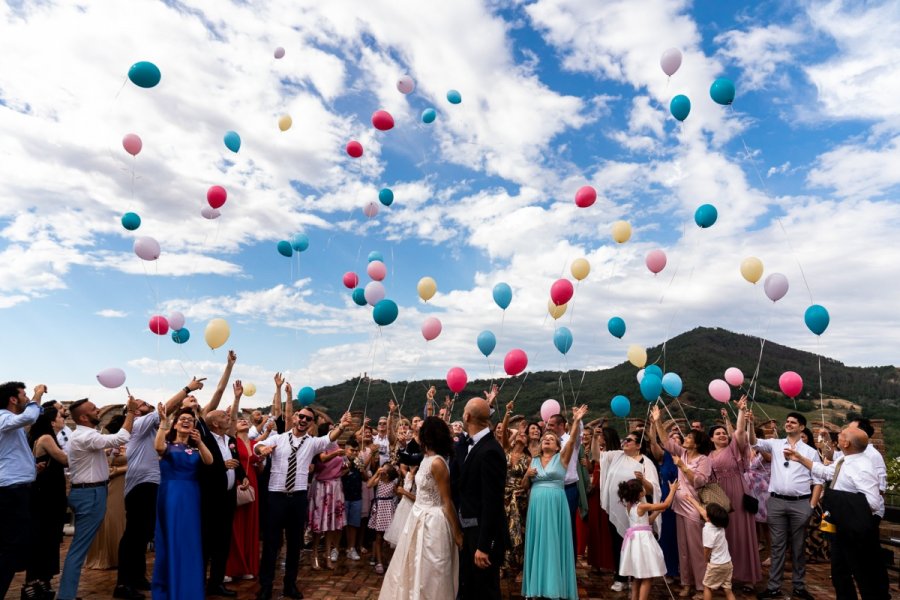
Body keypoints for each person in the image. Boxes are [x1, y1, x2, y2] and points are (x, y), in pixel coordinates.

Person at [253, 391, 354, 600]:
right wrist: (262, 449)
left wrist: (342, 426)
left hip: (298, 498)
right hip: (275, 497)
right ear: (294, 417)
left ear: (310, 423)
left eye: (308, 419)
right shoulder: (278, 438)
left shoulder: (313, 443)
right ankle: (266, 586)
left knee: (294, 544)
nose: (304, 420)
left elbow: (330, 438)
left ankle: (290, 585)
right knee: (271, 543)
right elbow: (257, 445)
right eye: (301, 417)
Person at [115, 378, 207, 600]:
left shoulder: (156, 430)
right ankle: (123, 583)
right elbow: (167, 409)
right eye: (142, 403)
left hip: (155, 485)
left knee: (145, 533)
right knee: (135, 534)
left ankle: (137, 578)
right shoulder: (140, 423)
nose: (147, 404)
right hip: (141, 484)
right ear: (135, 412)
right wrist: (187, 389)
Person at [785, 427, 889, 599]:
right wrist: (800, 459)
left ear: (846, 443)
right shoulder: (845, 460)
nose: (838, 436)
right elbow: (827, 472)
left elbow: (873, 503)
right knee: (840, 573)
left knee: (864, 575)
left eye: (841, 434)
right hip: (842, 527)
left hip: (855, 531)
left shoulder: (862, 467)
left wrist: (835, 499)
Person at [57, 396, 136, 600]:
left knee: (79, 547)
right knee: (78, 549)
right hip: (90, 494)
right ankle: (66, 596)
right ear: (83, 417)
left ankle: (67, 594)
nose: (98, 410)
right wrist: (132, 412)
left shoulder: (84, 435)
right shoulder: (85, 436)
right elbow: (121, 438)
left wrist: (108, 453)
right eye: (94, 409)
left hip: (89, 491)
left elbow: (94, 460)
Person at [379, 417, 463, 599]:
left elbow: (446, 501)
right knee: (412, 567)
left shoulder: (438, 463)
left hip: (434, 522)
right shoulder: (426, 458)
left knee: (431, 571)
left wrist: (457, 533)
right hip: (417, 516)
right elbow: (405, 456)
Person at [751, 412, 823, 600]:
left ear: (802, 428)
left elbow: (818, 481)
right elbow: (752, 442)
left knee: (799, 547)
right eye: (787, 421)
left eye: (793, 422)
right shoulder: (775, 444)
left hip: (801, 503)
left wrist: (811, 506)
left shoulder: (810, 452)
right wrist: (750, 422)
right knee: (777, 546)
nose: (789, 424)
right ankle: (774, 587)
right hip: (776, 502)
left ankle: (799, 586)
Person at [520, 404, 587, 600]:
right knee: (537, 543)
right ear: (540, 445)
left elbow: (573, 438)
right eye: (545, 439)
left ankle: (554, 587)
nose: (547, 440)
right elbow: (524, 486)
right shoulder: (533, 461)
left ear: (558, 446)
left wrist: (576, 421)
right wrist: (527, 475)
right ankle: (537, 587)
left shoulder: (562, 458)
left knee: (554, 543)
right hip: (537, 507)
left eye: (551, 439)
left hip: (556, 504)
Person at [152, 405, 214, 599]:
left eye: (191, 419)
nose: (186, 421)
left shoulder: (194, 448)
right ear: (176, 424)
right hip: (171, 495)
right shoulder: (167, 446)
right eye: (183, 419)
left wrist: (200, 442)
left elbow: (209, 461)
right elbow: (158, 447)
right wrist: (164, 422)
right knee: (173, 538)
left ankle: (189, 587)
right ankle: (170, 587)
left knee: (189, 541)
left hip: (191, 495)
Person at [651, 405, 712, 598]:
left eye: (688, 438)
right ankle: (686, 583)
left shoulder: (704, 459)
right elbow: (664, 441)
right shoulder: (681, 453)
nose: (684, 439)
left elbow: (701, 481)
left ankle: (702, 587)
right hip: (678, 506)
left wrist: (683, 468)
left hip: (694, 506)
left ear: (696, 443)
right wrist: (658, 420)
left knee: (696, 548)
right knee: (683, 549)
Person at [195, 352, 241, 598]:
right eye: (224, 416)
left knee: (223, 544)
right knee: (206, 544)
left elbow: (238, 463)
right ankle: (199, 583)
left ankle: (216, 584)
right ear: (213, 423)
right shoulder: (204, 436)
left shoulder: (229, 439)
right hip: (210, 499)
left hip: (228, 498)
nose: (228, 416)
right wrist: (228, 366)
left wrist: (240, 476)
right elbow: (204, 467)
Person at [453, 395, 507, 600]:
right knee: (470, 588)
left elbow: (492, 502)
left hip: (483, 534)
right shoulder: (470, 444)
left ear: (466, 416)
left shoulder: (490, 451)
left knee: (485, 590)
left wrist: (483, 546)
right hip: (469, 530)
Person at [598, 426, 662, 592]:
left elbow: (653, 489)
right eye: (624, 440)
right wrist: (597, 436)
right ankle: (619, 577)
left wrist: (643, 480)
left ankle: (636, 578)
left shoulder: (646, 463)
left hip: (637, 512)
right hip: (617, 508)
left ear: (638, 445)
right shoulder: (617, 456)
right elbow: (598, 456)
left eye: (629, 440)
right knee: (617, 543)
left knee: (635, 545)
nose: (624, 442)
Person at [706, 398, 760, 592]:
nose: (721, 435)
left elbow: (738, 431)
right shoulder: (708, 456)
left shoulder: (733, 448)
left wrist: (740, 412)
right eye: (717, 433)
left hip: (737, 492)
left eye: (723, 433)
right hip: (718, 496)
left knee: (741, 533)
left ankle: (745, 577)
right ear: (711, 438)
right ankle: (725, 576)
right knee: (723, 536)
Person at [23, 405, 69, 600]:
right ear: (51, 421)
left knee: (45, 538)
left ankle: (40, 582)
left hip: (44, 494)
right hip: (48, 496)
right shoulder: (47, 438)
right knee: (46, 538)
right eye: (60, 415)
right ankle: (37, 583)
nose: (63, 417)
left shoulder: (42, 437)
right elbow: (65, 460)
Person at [617, 477, 679, 600]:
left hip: (634, 542)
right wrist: (672, 490)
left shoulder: (629, 506)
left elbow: (646, 521)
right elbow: (666, 504)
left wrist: (658, 512)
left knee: (637, 576)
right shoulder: (642, 506)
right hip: (643, 542)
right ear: (640, 493)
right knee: (648, 576)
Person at [225, 382, 263, 582]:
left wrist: (263, 458)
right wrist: (237, 398)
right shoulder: (231, 441)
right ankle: (231, 568)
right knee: (234, 525)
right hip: (237, 483)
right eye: (239, 420)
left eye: (244, 420)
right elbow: (231, 420)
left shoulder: (256, 443)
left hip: (253, 484)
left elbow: (260, 467)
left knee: (250, 526)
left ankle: (248, 565)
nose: (242, 421)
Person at [86, 415, 129, 569]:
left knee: (123, 518)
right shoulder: (108, 443)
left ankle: (121, 556)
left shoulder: (132, 443)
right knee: (111, 517)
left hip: (127, 483)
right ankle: (107, 556)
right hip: (113, 484)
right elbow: (103, 466)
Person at [309, 422, 347, 570]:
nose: (335, 432)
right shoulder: (320, 445)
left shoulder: (337, 447)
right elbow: (323, 459)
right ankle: (314, 554)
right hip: (322, 487)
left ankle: (328, 555)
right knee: (319, 525)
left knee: (332, 525)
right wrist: (335, 454)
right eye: (332, 429)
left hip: (336, 486)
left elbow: (340, 467)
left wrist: (347, 465)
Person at [546, 410, 583, 557]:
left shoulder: (571, 440)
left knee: (567, 526)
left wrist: (577, 420)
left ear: (561, 425)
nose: (548, 428)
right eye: (547, 425)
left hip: (568, 489)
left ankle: (569, 562)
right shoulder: (546, 441)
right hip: (550, 489)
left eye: (552, 425)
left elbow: (579, 434)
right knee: (552, 526)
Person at [500, 401, 530, 574]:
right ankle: (503, 565)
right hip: (503, 496)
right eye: (519, 433)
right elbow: (503, 431)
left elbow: (528, 481)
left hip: (519, 497)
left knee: (518, 531)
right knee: (504, 529)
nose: (521, 435)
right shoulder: (506, 451)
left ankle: (518, 566)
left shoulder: (528, 459)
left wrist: (525, 479)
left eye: (524, 435)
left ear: (526, 443)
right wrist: (507, 413)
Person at [648, 421, 680, 580]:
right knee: (667, 534)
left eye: (677, 439)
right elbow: (653, 442)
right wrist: (654, 424)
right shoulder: (664, 456)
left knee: (682, 536)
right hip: (667, 498)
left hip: (684, 498)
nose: (674, 441)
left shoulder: (686, 456)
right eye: (671, 439)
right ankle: (668, 568)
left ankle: (683, 569)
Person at [686, 499, 737, 600]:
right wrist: (690, 499)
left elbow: (707, 549)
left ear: (708, 518)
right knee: (728, 589)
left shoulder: (708, 530)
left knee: (707, 587)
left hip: (716, 565)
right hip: (727, 563)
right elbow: (702, 510)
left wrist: (705, 560)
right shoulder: (720, 524)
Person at [583, 425, 617, 574]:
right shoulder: (601, 452)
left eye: (602, 435)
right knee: (594, 528)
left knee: (607, 528)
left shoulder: (616, 454)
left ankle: (609, 562)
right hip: (595, 492)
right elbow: (594, 462)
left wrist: (595, 440)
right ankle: (595, 562)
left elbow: (597, 457)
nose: (600, 437)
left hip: (608, 493)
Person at [341, 437, 364, 561]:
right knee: (339, 525)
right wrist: (347, 468)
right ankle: (335, 548)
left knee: (353, 524)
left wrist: (362, 469)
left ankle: (351, 548)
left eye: (356, 451)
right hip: (342, 496)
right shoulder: (340, 461)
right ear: (346, 450)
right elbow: (336, 476)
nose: (354, 453)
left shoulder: (359, 461)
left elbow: (365, 478)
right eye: (352, 450)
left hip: (356, 497)